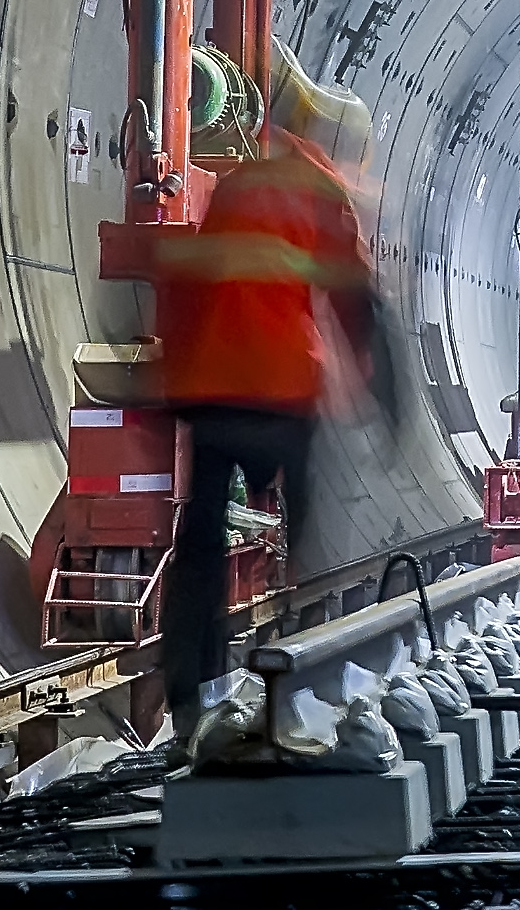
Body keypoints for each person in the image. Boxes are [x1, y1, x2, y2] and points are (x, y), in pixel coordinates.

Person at [155, 118, 394, 702]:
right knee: (308, 511)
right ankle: (297, 656)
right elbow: (352, 292)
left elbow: (191, 281)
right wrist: (384, 396)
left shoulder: (239, 184)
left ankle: (189, 683)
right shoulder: (322, 194)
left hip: (212, 386)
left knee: (200, 537)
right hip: (281, 385)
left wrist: (176, 383)